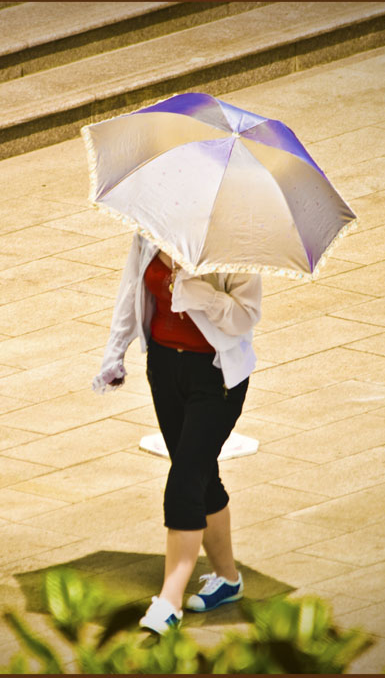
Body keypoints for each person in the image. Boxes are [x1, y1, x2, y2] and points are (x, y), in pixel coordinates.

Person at [92, 232, 262, 635]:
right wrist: (114, 355)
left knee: (184, 479)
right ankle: (228, 580)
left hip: (216, 378)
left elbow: (246, 316)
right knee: (201, 475)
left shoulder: (233, 242)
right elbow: (132, 288)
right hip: (166, 369)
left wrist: (200, 293)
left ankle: (169, 601)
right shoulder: (151, 231)